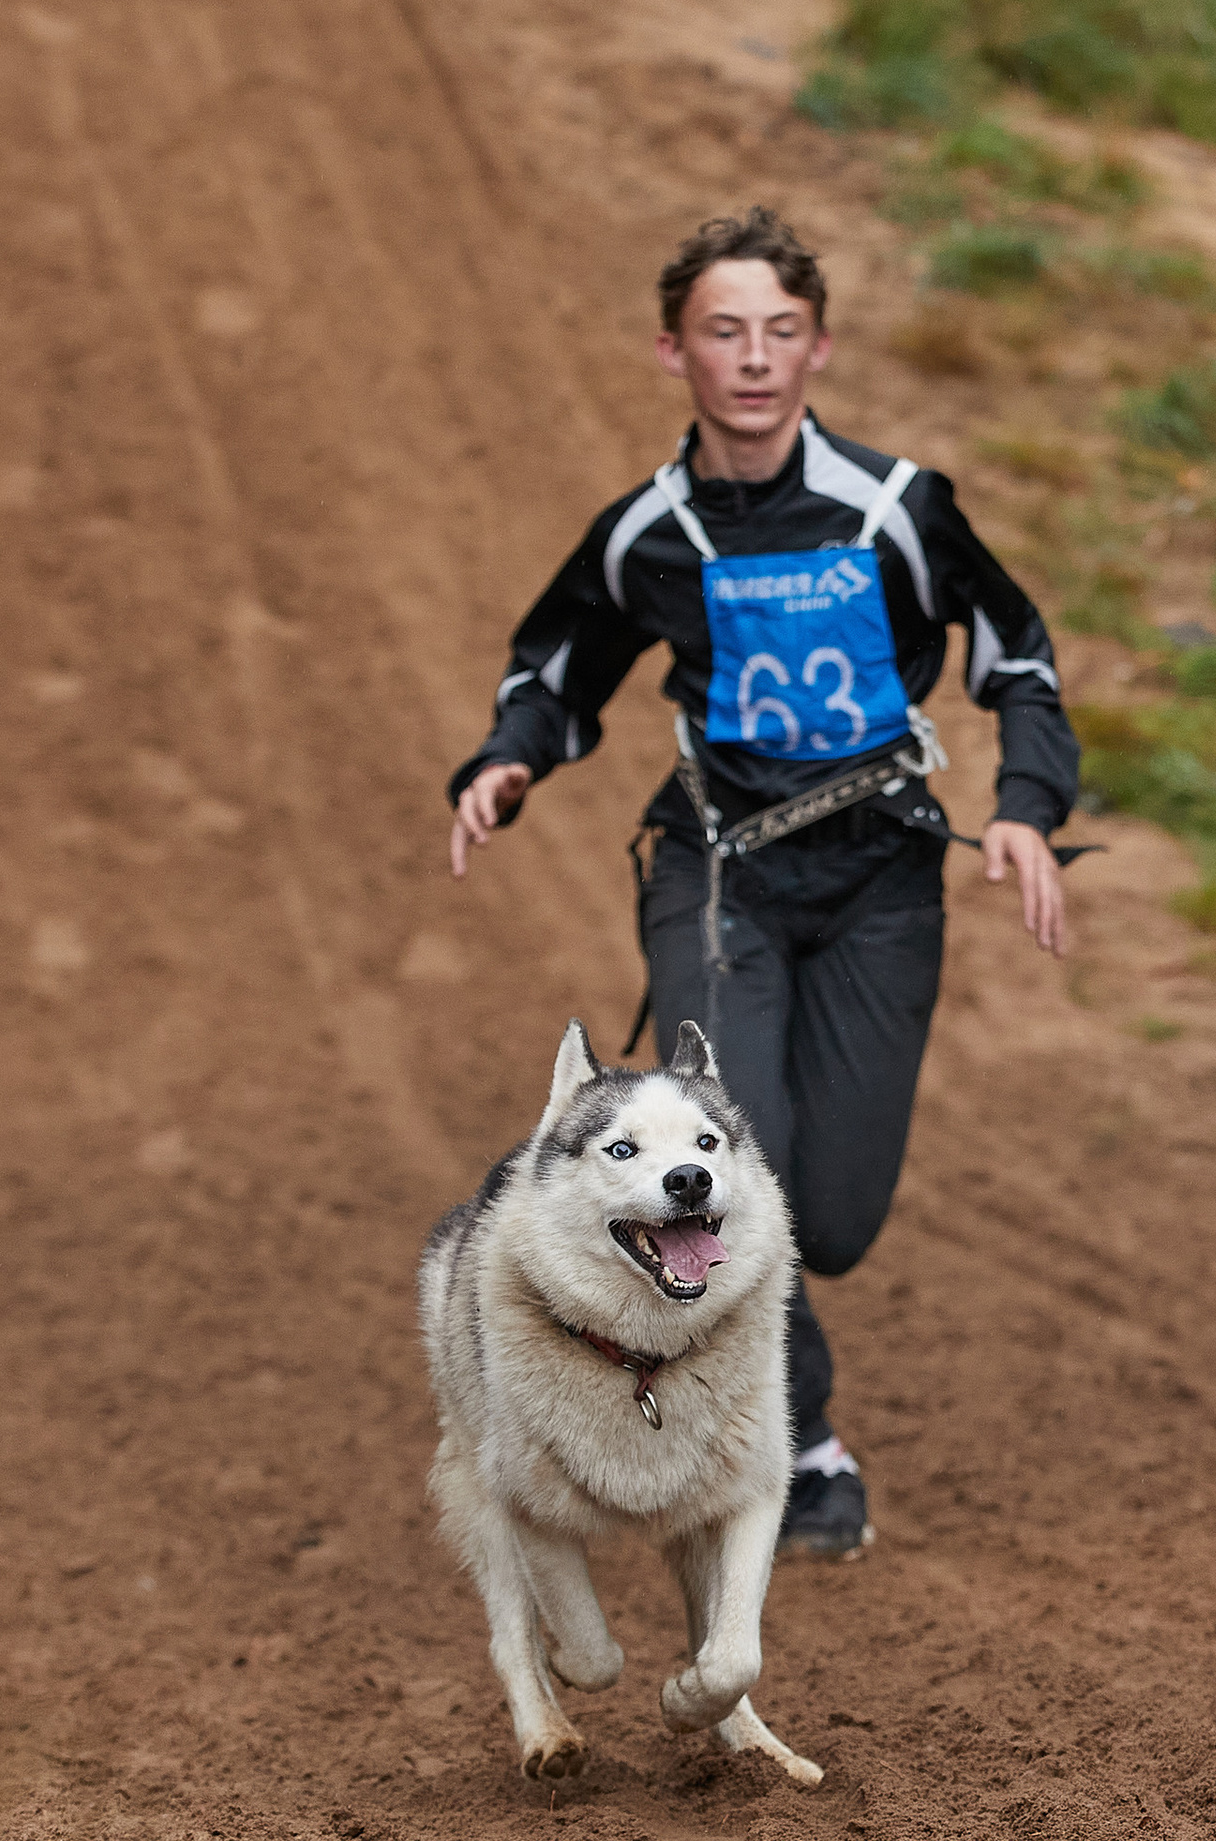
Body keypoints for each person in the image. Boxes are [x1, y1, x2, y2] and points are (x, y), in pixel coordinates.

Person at [446, 204, 1080, 1560]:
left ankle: (765, 1392)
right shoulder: (644, 537)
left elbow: (1016, 653)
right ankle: (800, 1442)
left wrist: (1026, 807)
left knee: (833, 1220)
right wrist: (507, 762)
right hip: (718, 874)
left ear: (819, 349)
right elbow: (559, 665)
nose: (752, 359)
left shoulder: (899, 510)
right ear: (671, 349)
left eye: (779, 333)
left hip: (881, 881)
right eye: (722, 332)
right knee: (731, 1179)